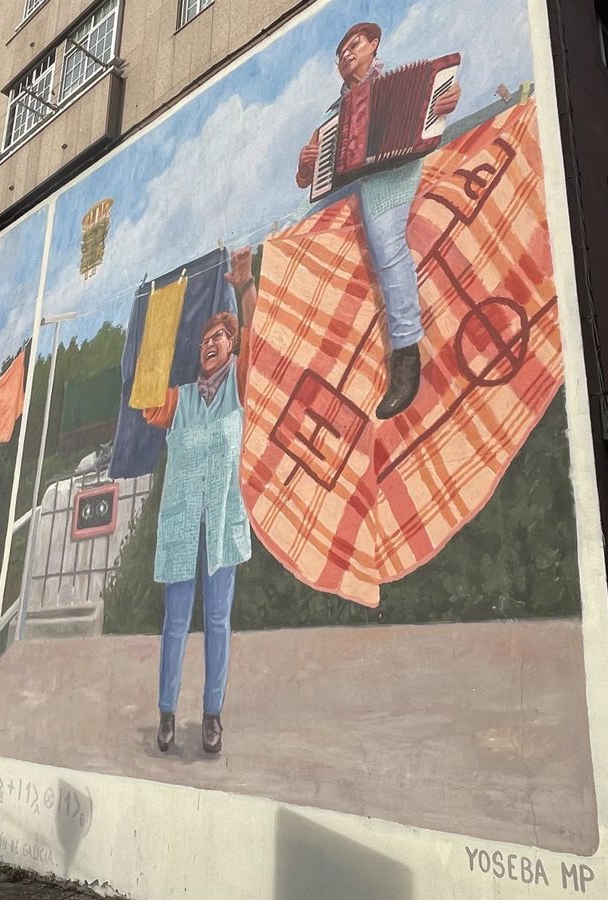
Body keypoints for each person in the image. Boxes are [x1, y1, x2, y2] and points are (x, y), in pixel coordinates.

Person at [295, 22, 461, 419]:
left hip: (394, 171)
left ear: (374, 45)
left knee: (387, 244)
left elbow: (438, 105)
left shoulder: (405, 80)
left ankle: (405, 354)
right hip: (354, 179)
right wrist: (304, 166)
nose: (346, 54)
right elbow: (307, 178)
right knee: (302, 232)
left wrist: (445, 100)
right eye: (340, 52)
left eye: (354, 44)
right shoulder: (332, 114)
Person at [142, 250, 261, 755]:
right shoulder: (182, 399)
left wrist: (245, 286)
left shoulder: (238, 387)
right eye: (206, 339)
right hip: (181, 525)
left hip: (223, 522)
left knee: (217, 621)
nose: (211, 343)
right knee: (174, 622)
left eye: (221, 338)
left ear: (232, 349)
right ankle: (167, 713)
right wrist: (162, 314)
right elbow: (148, 401)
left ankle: (212, 716)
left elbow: (256, 338)